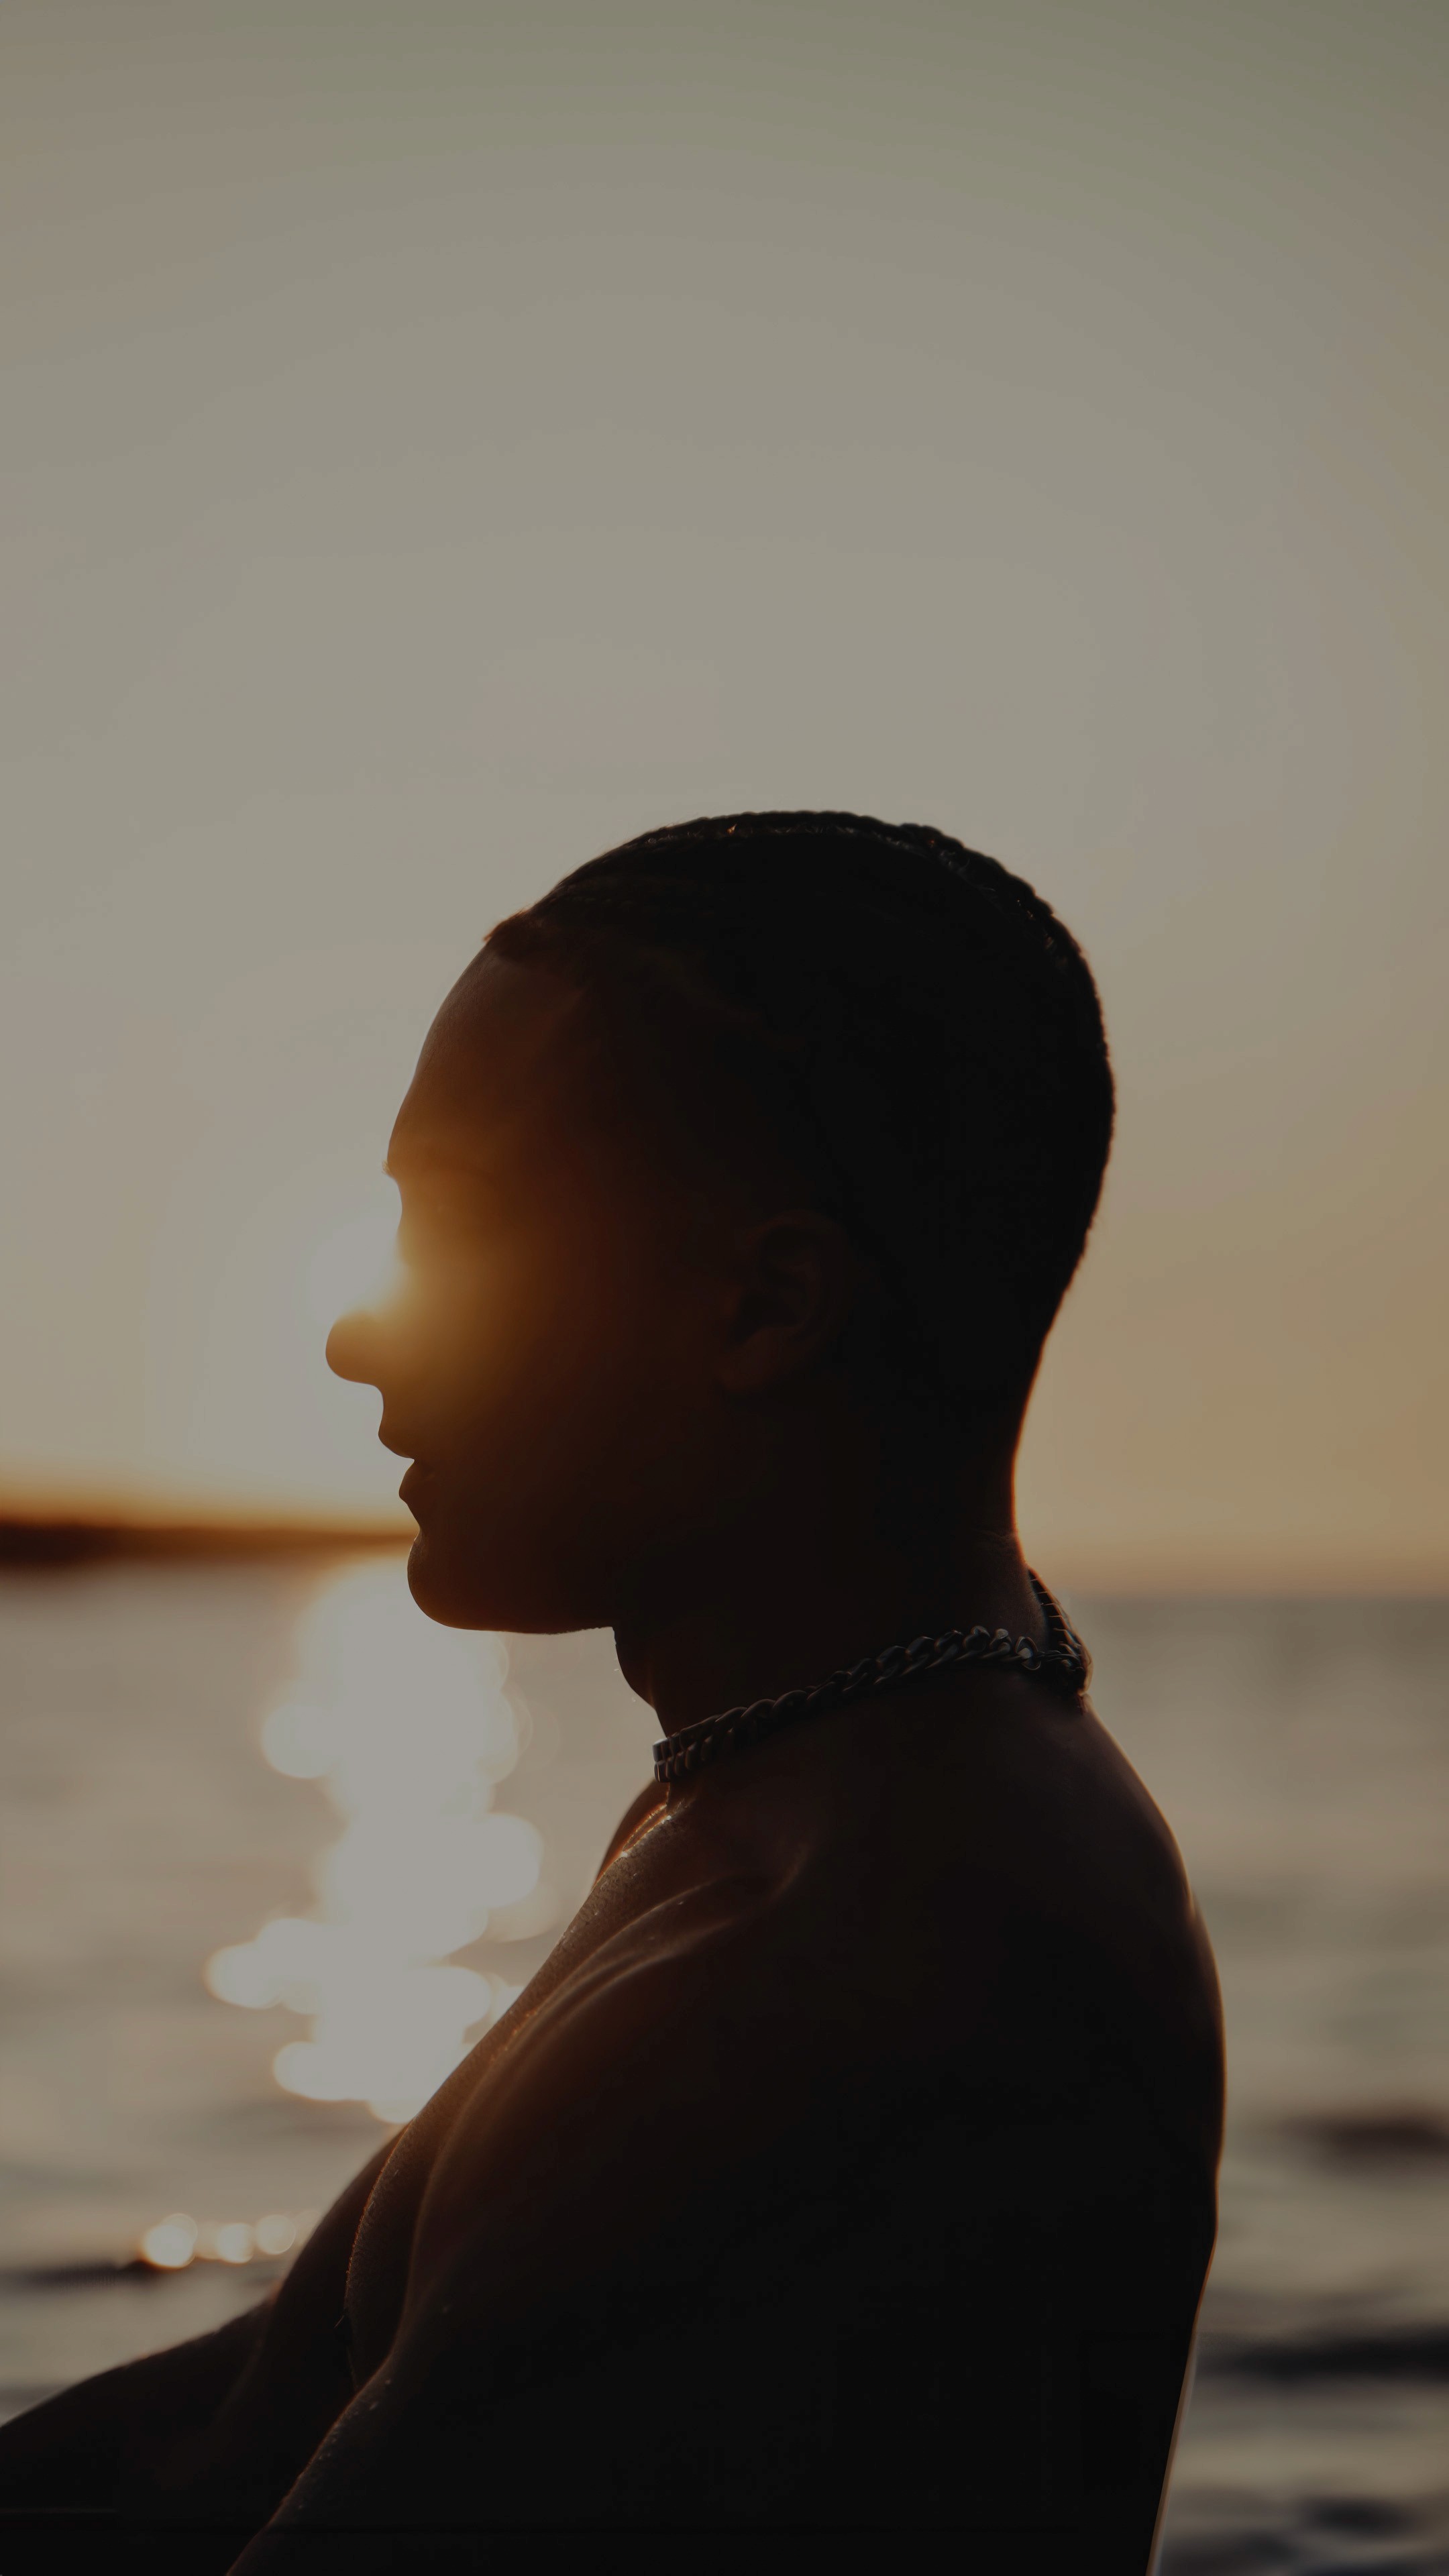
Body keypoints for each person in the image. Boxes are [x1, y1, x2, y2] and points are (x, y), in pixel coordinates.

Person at [0, 812, 1222, 2567]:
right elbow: (222, 2437)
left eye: (457, 1231)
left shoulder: (835, 1968)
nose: (358, 1331)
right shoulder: (811, 1793)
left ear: (763, 1309)